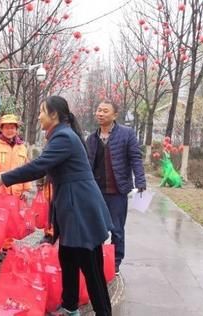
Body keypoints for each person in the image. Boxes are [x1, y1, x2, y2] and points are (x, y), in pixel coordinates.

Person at [0, 96, 113, 316]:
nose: (39, 116)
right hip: (72, 207)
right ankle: (70, 308)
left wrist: (3, 178)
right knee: (68, 257)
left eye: (42, 111)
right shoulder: (60, 135)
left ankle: (104, 312)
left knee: (91, 268)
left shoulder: (63, 136)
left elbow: (39, 167)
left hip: (81, 209)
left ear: (54, 115)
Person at [86, 100, 146, 275]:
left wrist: (140, 182)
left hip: (118, 191)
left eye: (105, 111)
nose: (100, 114)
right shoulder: (92, 138)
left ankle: (115, 263)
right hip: (96, 192)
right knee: (96, 227)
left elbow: (136, 158)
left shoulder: (126, 134)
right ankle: (96, 261)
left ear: (115, 115)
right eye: (98, 110)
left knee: (117, 230)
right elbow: (87, 164)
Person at [0, 114, 31, 261]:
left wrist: (25, 189)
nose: (10, 130)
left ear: (17, 129)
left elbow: (26, 168)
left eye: (12, 127)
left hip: (16, 192)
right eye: (6, 127)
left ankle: (7, 247)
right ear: (1, 128)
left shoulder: (22, 147)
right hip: (0, 191)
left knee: (12, 221)